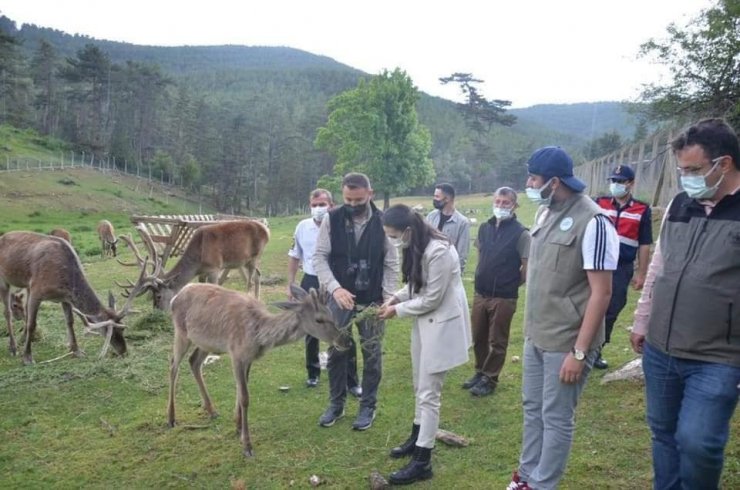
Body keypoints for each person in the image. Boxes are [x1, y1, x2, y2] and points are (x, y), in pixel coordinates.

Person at [631, 118, 740, 490]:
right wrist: (643, 319)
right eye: (681, 170)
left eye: (693, 170)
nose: (685, 179)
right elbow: (660, 264)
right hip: (661, 347)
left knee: (698, 442)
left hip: (718, 356)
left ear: (723, 164)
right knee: (663, 433)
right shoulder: (681, 203)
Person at [508, 146, 619, 490]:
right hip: (537, 334)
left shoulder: (595, 222)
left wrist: (580, 352)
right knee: (533, 408)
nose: (528, 183)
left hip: (567, 342)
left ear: (554, 182)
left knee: (556, 417)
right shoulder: (545, 212)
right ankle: (526, 476)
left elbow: (601, 293)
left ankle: (543, 484)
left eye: (534, 178)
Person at [377, 204, 472, 485]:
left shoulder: (438, 251)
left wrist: (398, 310)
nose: (393, 241)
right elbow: (418, 285)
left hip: (441, 325)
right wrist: (396, 297)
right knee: (420, 386)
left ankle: (423, 460)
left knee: (430, 393)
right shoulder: (417, 243)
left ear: (407, 230)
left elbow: (432, 297)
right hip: (425, 323)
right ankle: (416, 437)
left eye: (394, 235)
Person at [313, 172, 399, 431]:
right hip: (340, 299)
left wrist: (388, 298)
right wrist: (336, 288)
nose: (352, 205)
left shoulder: (384, 221)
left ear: (369, 194)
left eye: (358, 200)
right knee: (337, 351)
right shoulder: (332, 219)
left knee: (372, 354)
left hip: (372, 300)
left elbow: (391, 263)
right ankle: (336, 404)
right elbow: (319, 257)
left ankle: (367, 407)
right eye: (347, 199)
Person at [287, 188, 361, 396]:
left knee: (342, 327)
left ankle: (351, 379)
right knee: (311, 328)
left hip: (336, 282)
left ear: (332, 205)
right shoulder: (302, 227)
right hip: (310, 279)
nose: (318, 208)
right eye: (314, 205)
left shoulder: (341, 225)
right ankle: (313, 372)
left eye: (322, 204)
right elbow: (294, 255)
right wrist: (290, 283)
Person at [464, 186, 530, 397]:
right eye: (498, 202)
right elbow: (481, 255)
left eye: (506, 203)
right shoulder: (484, 228)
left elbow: (526, 268)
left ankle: (490, 378)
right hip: (481, 293)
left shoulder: (521, 233)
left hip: (504, 296)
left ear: (514, 205)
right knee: (478, 336)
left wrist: (509, 285)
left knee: (497, 340)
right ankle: (480, 371)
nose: (500, 206)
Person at [593, 165, 652, 369]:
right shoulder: (598, 203)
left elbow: (645, 243)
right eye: (613, 181)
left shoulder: (642, 209)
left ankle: (596, 350)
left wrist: (642, 273)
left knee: (612, 309)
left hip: (621, 267)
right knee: (587, 304)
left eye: (620, 181)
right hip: (597, 265)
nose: (616, 185)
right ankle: (578, 348)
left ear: (631, 183)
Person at [425, 183, 471, 272]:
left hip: (448, 270)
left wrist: (456, 274)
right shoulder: (431, 216)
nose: (434, 199)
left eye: (437, 197)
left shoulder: (462, 222)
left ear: (447, 199)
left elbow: (462, 254)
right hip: (429, 267)